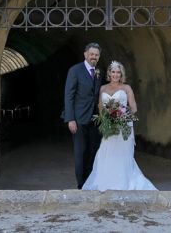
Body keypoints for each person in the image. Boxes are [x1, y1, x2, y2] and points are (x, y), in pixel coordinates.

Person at [81, 60, 157, 191]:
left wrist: (124, 116)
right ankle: (106, 182)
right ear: (109, 73)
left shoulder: (126, 88)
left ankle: (123, 182)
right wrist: (105, 119)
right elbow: (101, 107)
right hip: (108, 126)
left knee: (122, 155)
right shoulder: (103, 88)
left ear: (121, 74)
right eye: (113, 72)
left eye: (118, 72)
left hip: (123, 126)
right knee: (107, 153)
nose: (115, 75)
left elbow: (133, 107)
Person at [63, 42, 103, 188]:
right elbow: (69, 95)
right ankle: (81, 184)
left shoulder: (100, 72)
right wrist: (70, 119)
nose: (94, 57)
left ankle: (90, 181)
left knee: (93, 151)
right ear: (85, 55)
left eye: (96, 55)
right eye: (91, 54)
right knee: (80, 153)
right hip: (79, 119)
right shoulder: (75, 71)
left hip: (95, 120)